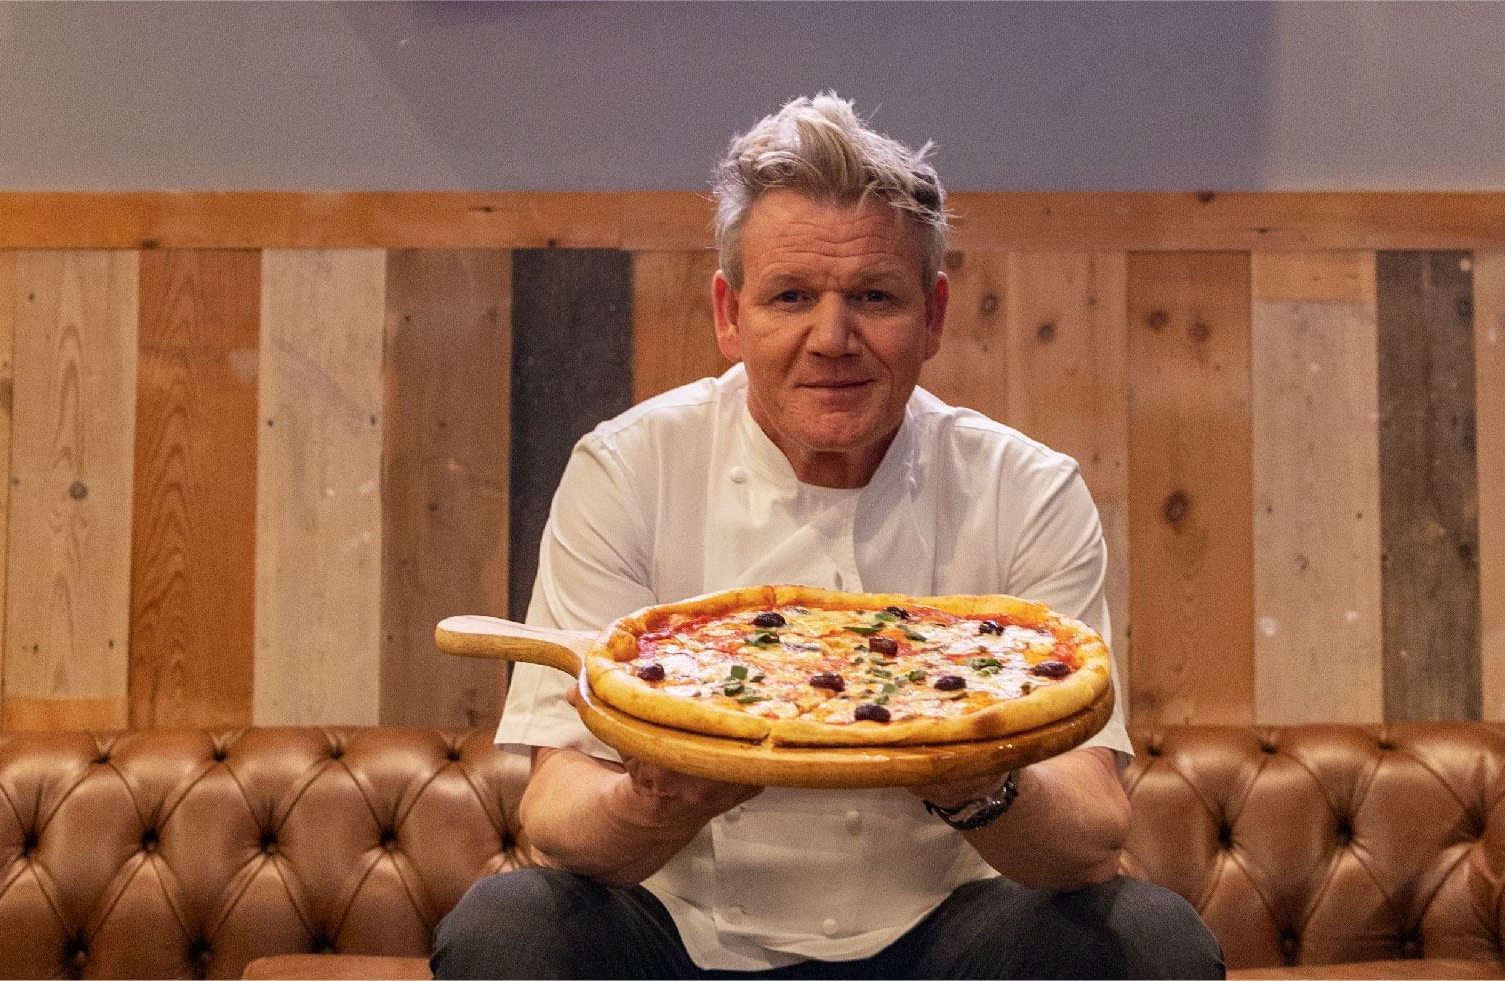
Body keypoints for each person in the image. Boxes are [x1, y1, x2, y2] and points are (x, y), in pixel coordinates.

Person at [431, 93, 1224, 980]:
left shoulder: (1025, 486)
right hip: (685, 939)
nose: (833, 337)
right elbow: (554, 810)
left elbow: (1093, 831)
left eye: (874, 296)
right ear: (730, 314)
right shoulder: (627, 467)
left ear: (933, 314)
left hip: (949, 938)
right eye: (792, 296)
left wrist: (975, 778)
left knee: (1152, 942)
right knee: (507, 928)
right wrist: (663, 796)